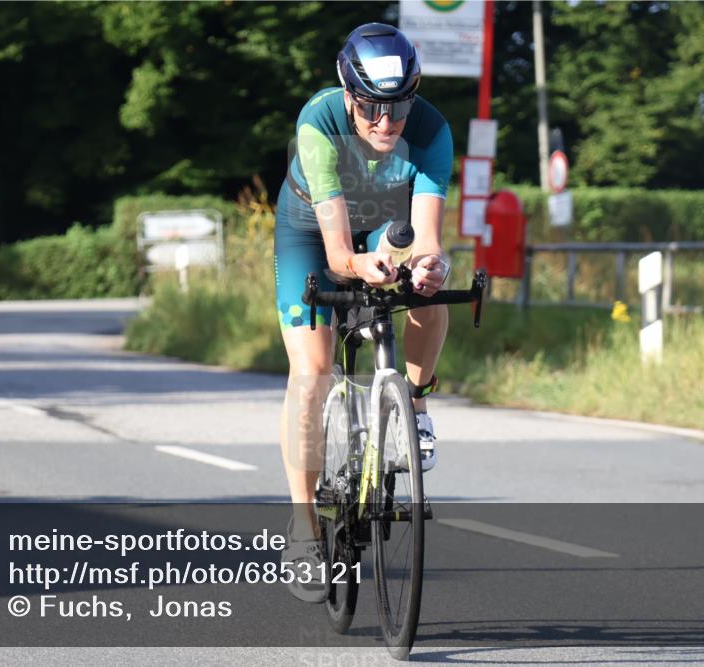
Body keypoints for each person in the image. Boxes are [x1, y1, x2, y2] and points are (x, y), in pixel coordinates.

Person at [274, 24, 453, 601]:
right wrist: (360, 265)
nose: (386, 121)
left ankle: (415, 406)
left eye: (398, 104)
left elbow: (426, 236)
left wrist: (428, 266)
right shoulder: (318, 124)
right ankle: (303, 531)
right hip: (311, 231)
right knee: (312, 375)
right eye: (372, 106)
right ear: (349, 95)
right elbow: (336, 255)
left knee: (427, 285)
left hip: (383, 221)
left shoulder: (431, 131)